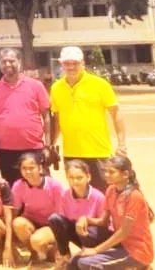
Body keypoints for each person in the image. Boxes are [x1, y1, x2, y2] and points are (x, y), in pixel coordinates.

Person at [51, 46, 127, 190]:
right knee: (78, 193)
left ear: (83, 63)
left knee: (104, 193)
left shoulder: (100, 84)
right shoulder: (56, 88)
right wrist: (52, 144)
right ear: (61, 65)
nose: (71, 67)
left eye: (75, 63)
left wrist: (121, 143)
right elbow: (57, 119)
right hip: (71, 153)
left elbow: (116, 113)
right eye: (67, 63)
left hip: (98, 151)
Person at [69, 156, 154, 269]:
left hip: (137, 252)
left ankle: (140, 266)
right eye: (105, 171)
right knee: (75, 260)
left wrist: (96, 250)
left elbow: (124, 232)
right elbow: (103, 222)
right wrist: (85, 219)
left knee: (87, 264)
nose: (106, 175)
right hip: (121, 245)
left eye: (111, 172)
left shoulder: (134, 196)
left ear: (125, 174)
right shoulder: (111, 190)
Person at [0, 48, 51, 185]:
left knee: (39, 187)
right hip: (6, 151)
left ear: (19, 62)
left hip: (34, 148)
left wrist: (48, 146)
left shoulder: (36, 86)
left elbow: (46, 116)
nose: (8, 65)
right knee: (12, 189)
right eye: (4, 62)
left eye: (11, 61)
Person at [47, 160, 107, 268]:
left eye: (79, 178)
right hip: (77, 232)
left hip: (93, 236)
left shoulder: (98, 197)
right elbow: (62, 224)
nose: (75, 181)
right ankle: (64, 256)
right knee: (55, 219)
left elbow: (104, 224)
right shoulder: (66, 195)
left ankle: (91, 255)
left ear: (88, 177)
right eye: (71, 177)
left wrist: (87, 221)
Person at [9, 153, 63, 261]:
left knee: (37, 240)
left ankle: (50, 249)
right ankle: (34, 253)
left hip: (51, 225)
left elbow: (61, 216)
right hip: (31, 223)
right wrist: (9, 244)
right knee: (17, 223)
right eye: (24, 168)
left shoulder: (54, 186)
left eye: (31, 168)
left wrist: (60, 248)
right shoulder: (18, 185)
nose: (28, 172)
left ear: (40, 167)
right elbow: (14, 212)